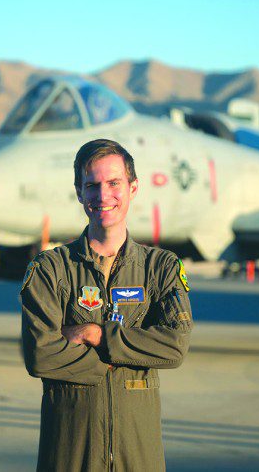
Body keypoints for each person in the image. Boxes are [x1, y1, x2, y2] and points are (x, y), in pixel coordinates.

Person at [20, 139, 192, 471]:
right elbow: (40, 355)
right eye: (92, 185)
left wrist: (98, 336)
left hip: (138, 456)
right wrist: (120, 362)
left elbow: (175, 346)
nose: (103, 195)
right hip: (70, 455)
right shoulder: (51, 269)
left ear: (133, 187)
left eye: (114, 183)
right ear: (79, 192)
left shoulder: (160, 268)